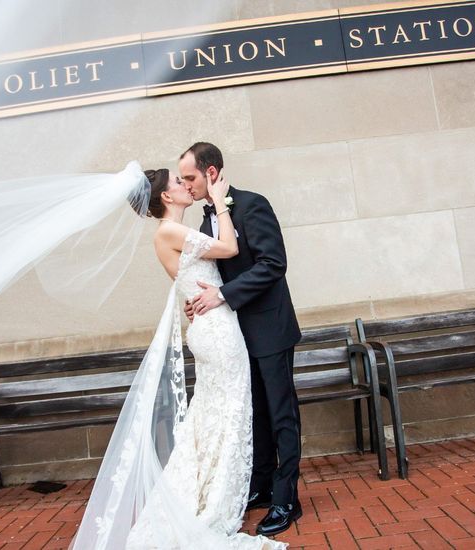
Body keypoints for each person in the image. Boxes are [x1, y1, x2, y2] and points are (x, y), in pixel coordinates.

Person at [71, 168, 286, 550]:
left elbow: (194, 281)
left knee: (215, 414)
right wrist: (220, 201)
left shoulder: (172, 233)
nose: (186, 186)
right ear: (166, 197)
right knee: (229, 411)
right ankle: (214, 497)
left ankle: (222, 488)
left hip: (211, 325)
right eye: (177, 182)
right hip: (217, 331)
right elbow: (230, 249)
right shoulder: (168, 231)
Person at [179, 143, 303, 537]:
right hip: (234, 336)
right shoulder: (204, 223)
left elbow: (273, 263)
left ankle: (287, 498)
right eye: (181, 179)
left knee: (282, 414)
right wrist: (202, 301)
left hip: (270, 328)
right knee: (257, 413)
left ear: (212, 172)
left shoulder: (252, 205)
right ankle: (263, 485)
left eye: (190, 177)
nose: (186, 184)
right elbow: (214, 277)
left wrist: (222, 295)